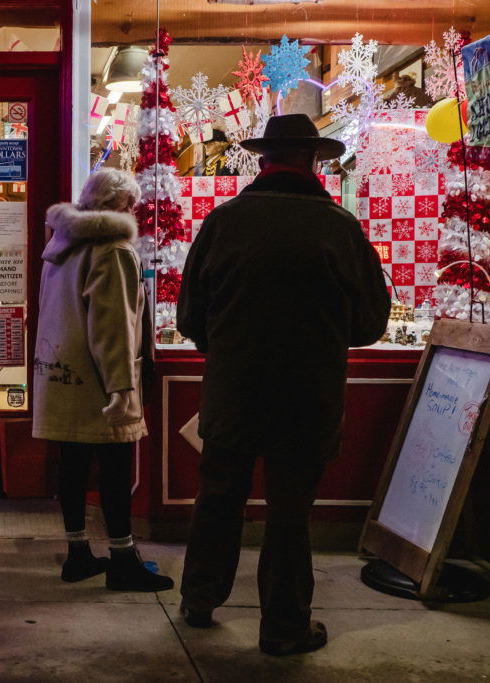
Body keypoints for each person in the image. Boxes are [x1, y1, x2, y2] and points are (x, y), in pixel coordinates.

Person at [176, 114, 391, 655]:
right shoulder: (340, 227)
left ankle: (199, 598)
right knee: (290, 511)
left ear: (262, 159)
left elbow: (188, 318)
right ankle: (283, 626)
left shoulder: (223, 222)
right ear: (314, 160)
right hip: (308, 395)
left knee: (219, 495)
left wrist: (228, 350)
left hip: (233, 390)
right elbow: (370, 325)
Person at [33, 167, 173, 592]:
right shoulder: (111, 251)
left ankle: (77, 553)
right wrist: (121, 388)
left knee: (72, 467)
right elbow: (112, 329)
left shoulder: (61, 246)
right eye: (130, 203)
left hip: (62, 375)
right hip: (100, 383)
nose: (134, 210)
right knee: (114, 468)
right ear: (117, 206)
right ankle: (123, 558)